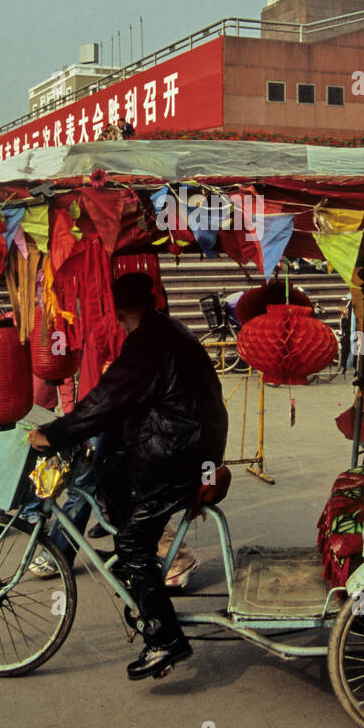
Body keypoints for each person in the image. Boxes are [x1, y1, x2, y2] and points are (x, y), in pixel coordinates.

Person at [28, 271, 228, 681]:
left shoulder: (147, 344)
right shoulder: (171, 330)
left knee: (134, 542)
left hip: (174, 456)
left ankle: (164, 639)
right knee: (116, 496)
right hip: (191, 449)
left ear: (118, 312)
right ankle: (139, 586)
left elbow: (106, 399)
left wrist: (55, 433)